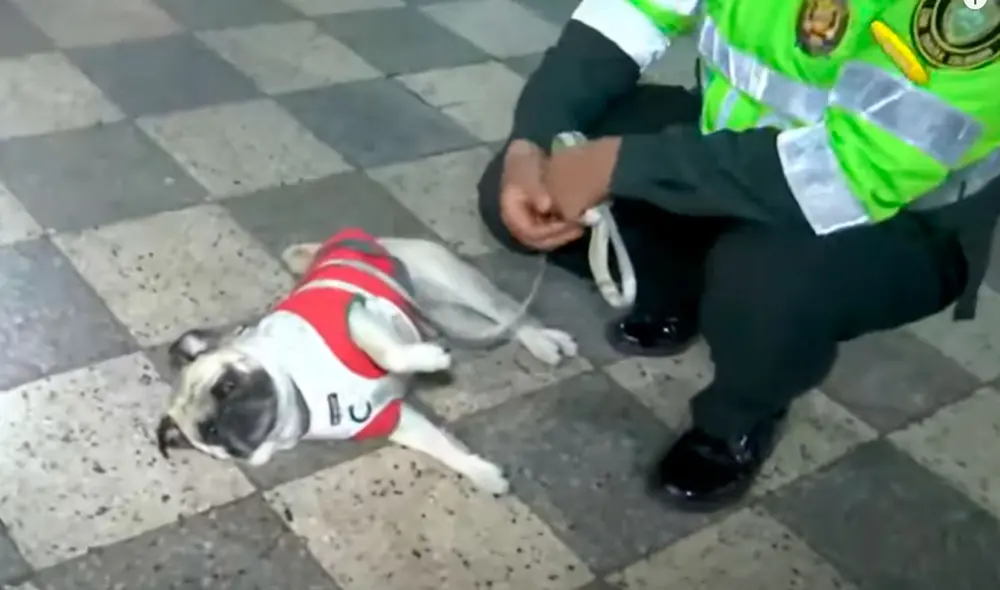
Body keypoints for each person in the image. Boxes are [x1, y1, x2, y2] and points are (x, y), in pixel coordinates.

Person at [477, 0, 1000, 510]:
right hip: (732, 148)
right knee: (525, 193)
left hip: (902, 217)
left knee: (770, 280)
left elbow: (853, 172)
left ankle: (737, 419)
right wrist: (535, 138)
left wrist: (625, 164)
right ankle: (681, 289)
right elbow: (627, 13)